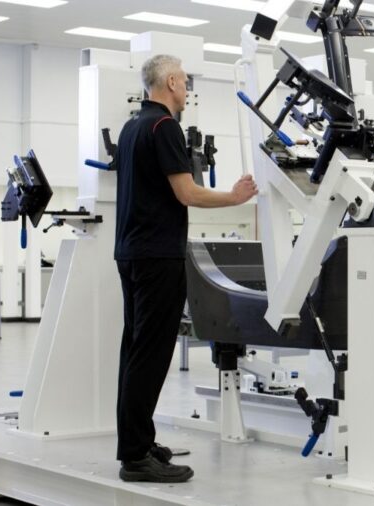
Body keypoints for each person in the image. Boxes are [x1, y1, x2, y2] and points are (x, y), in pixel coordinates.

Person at [114, 54, 258, 483]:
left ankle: (137, 441)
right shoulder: (164, 127)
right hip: (159, 254)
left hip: (131, 252)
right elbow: (186, 193)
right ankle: (135, 456)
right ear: (172, 81)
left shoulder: (131, 127)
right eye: (186, 81)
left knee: (135, 350)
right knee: (152, 354)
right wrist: (234, 198)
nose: (188, 88)